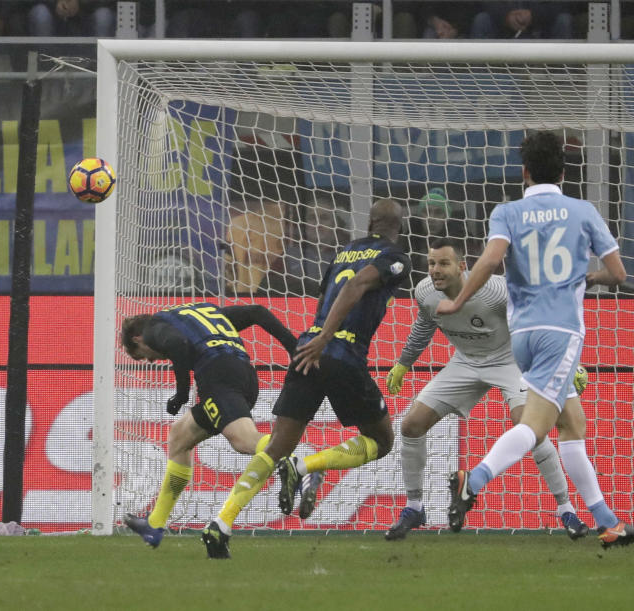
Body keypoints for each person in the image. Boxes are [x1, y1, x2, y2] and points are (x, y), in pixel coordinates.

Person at [437, 131, 632, 549]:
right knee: (536, 426)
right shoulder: (582, 211)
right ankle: (472, 479)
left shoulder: (507, 212)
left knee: (571, 423)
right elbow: (618, 274)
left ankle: (608, 522)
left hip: (521, 334)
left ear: (524, 173)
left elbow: (491, 260)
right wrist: (589, 278)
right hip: (560, 333)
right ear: (563, 172)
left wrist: (457, 303)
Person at [201, 199, 411, 559]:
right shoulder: (395, 256)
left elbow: (328, 294)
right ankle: (306, 465)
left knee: (277, 444)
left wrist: (315, 340)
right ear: (398, 227)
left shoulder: (344, 252)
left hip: (305, 351)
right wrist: (328, 338)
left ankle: (221, 521)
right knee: (382, 439)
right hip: (340, 352)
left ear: (368, 221)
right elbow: (356, 287)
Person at [384, 236, 589, 540]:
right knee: (411, 425)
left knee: (530, 428)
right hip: (465, 363)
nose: (436, 270)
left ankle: (566, 509)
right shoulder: (425, 292)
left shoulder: (495, 291)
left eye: (443, 263)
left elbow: (537, 319)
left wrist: (563, 360)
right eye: (431, 263)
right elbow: (424, 326)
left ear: (462, 266)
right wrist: (403, 363)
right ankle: (414, 507)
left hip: (511, 361)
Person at [120, 302, 297, 548]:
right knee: (180, 437)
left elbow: (177, 345)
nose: (151, 360)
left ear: (138, 338)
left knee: (243, 439)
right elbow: (257, 312)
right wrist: (293, 347)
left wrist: (181, 393)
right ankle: (155, 525)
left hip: (218, 377)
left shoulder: (154, 327)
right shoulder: (200, 313)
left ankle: (300, 464)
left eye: (144, 355)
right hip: (244, 374)